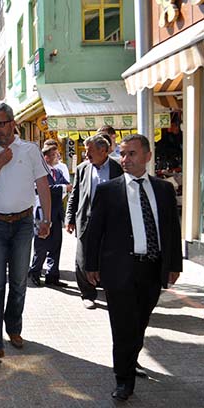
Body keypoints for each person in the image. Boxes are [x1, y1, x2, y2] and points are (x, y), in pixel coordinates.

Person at [84, 134, 182, 401]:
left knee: (139, 324)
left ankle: (131, 358)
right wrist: (91, 265)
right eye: (123, 154)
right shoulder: (108, 191)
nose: (125, 159)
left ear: (148, 156)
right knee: (122, 326)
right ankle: (123, 379)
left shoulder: (163, 190)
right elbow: (94, 231)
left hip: (152, 269)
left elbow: (172, 229)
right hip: (119, 270)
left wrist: (174, 264)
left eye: (131, 154)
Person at [0, 103, 51, 360]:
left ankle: (14, 328)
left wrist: (47, 219)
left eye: (2, 124)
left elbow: (42, 184)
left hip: (23, 224)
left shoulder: (30, 150)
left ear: (13, 123)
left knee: (18, 283)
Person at [65, 134, 123, 309]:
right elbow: (75, 194)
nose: (86, 155)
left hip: (110, 222)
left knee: (108, 258)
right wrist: (70, 217)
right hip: (86, 219)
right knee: (82, 258)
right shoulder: (83, 168)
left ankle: (109, 291)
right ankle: (87, 294)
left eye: (89, 151)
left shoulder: (118, 168)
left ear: (103, 150)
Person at [28, 145, 72, 287]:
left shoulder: (57, 171)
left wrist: (63, 187)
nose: (57, 157)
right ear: (46, 157)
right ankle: (35, 273)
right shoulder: (38, 172)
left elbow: (67, 185)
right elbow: (42, 189)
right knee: (41, 246)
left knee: (55, 245)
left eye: (58, 154)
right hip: (42, 213)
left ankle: (52, 275)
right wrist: (62, 188)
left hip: (56, 213)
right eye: (54, 155)